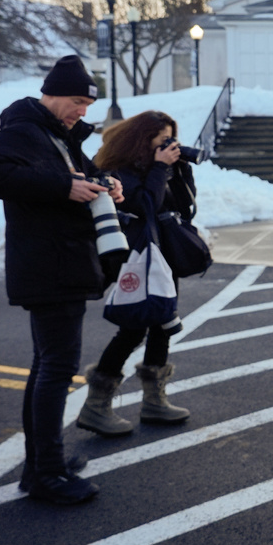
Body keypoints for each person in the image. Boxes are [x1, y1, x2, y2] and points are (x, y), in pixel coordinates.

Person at [0, 55, 125, 504]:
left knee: (48, 366)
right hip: (49, 266)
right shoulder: (24, 130)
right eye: (77, 101)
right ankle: (46, 473)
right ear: (54, 93)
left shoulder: (55, 136)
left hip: (61, 262)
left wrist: (105, 182)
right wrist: (64, 186)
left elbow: (76, 175)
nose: (82, 111)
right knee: (56, 368)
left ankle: (43, 463)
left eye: (87, 104)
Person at [76, 110, 201, 437]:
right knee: (132, 330)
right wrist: (160, 168)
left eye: (172, 139)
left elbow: (184, 207)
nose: (170, 145)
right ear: (142, 140)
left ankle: (154, 401)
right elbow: (145, 205)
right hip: (134, 259)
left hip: (160, 256)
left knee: (161, 326)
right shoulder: (119, 169)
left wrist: (177, 169)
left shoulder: (156, 168)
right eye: (164, 141)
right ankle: (96, 406)